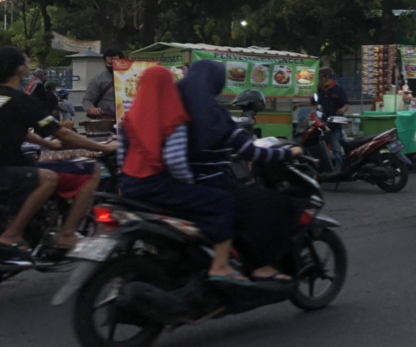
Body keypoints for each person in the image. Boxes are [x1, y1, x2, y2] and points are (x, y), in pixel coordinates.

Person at [178, 60, 303, 282]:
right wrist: (289, 153)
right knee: (271, 202)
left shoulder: (176, 110)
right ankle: (262, 266)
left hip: (181, 186)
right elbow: (252, 153)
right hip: (215, 185)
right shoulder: (216, 116)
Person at [118, 66, 242, 283]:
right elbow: (175, 160)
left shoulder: (129, 118)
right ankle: (220, 266)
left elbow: (122, 157)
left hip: (129, 185)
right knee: (222, 202)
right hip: (155, 184)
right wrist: (190, 183)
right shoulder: (173, 118)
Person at [0, 47, 116, 258]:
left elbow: (13, 128)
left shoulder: (4, 99)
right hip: (10, 170)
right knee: (88, 172)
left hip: (14, 165)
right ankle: (57, 234)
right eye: (26, 62)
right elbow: (63, 133)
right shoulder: (22, 100)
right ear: (19, 70)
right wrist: (104, 147)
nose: (29, 66)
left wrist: (50, 145)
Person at [316, 67, 349, 168]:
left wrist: (342, 110)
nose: (320, 81)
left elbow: (346, 104)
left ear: (327, 78)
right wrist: (299, 105)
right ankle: (327, 167)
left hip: (335, 124)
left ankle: (339, 169)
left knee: (336, 147)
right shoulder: (320, 90)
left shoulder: (338, 90)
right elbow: (314, 102)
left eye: (320, 78)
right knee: (323, 147)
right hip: (322, 124)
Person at [82, 47, 124, 120]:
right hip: (107, 121)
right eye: (110, 63)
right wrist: (92, 109)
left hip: (130, 120)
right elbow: (87, 101)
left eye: (116, 63)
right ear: (105, 63)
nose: (113, 66)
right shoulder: (98, 80)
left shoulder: (133, 77)